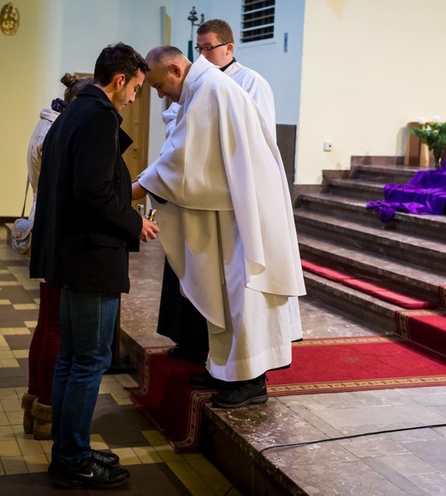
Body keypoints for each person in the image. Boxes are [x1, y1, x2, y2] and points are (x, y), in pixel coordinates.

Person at [133, 46, 305, 409]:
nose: (161, 95)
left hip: (245, 213)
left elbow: (183, 160)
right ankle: (226, 369)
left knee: (245, 295)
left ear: (177, 70)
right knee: (227, 294)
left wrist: (133, 188)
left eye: (161, 85)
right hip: (230, 207)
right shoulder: (203, 88)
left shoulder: (210, 89)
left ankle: (252, 381)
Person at [30, 43, 158, 490]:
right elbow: (94, 192)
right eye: (137, 87)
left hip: (71, 253)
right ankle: (72, 458)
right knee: (89, 359)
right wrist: (134, 222)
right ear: (119, 80)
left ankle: (70, 450)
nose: (135, 97)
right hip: (90, 255)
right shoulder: (99, 116)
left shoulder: (72, 112)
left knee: (73, 356)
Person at [156, 19, 287, 367]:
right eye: (197, 49)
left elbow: (255, 137)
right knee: (192, 271)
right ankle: (191, 342)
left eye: (208, 48)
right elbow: (176, 120)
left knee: (234, 284)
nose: (202, 54)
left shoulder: (249, 82)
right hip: (202, 192)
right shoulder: (199, 84)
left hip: (234, 194)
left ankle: (238, 363)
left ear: (229, 48)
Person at [21, 73, 92, 442]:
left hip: (47, 227)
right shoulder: (56, 133)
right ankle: (47, 408)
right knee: (55, 328)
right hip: (57, 232)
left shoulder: (46, 125)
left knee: (46, 323)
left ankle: (36, 397)